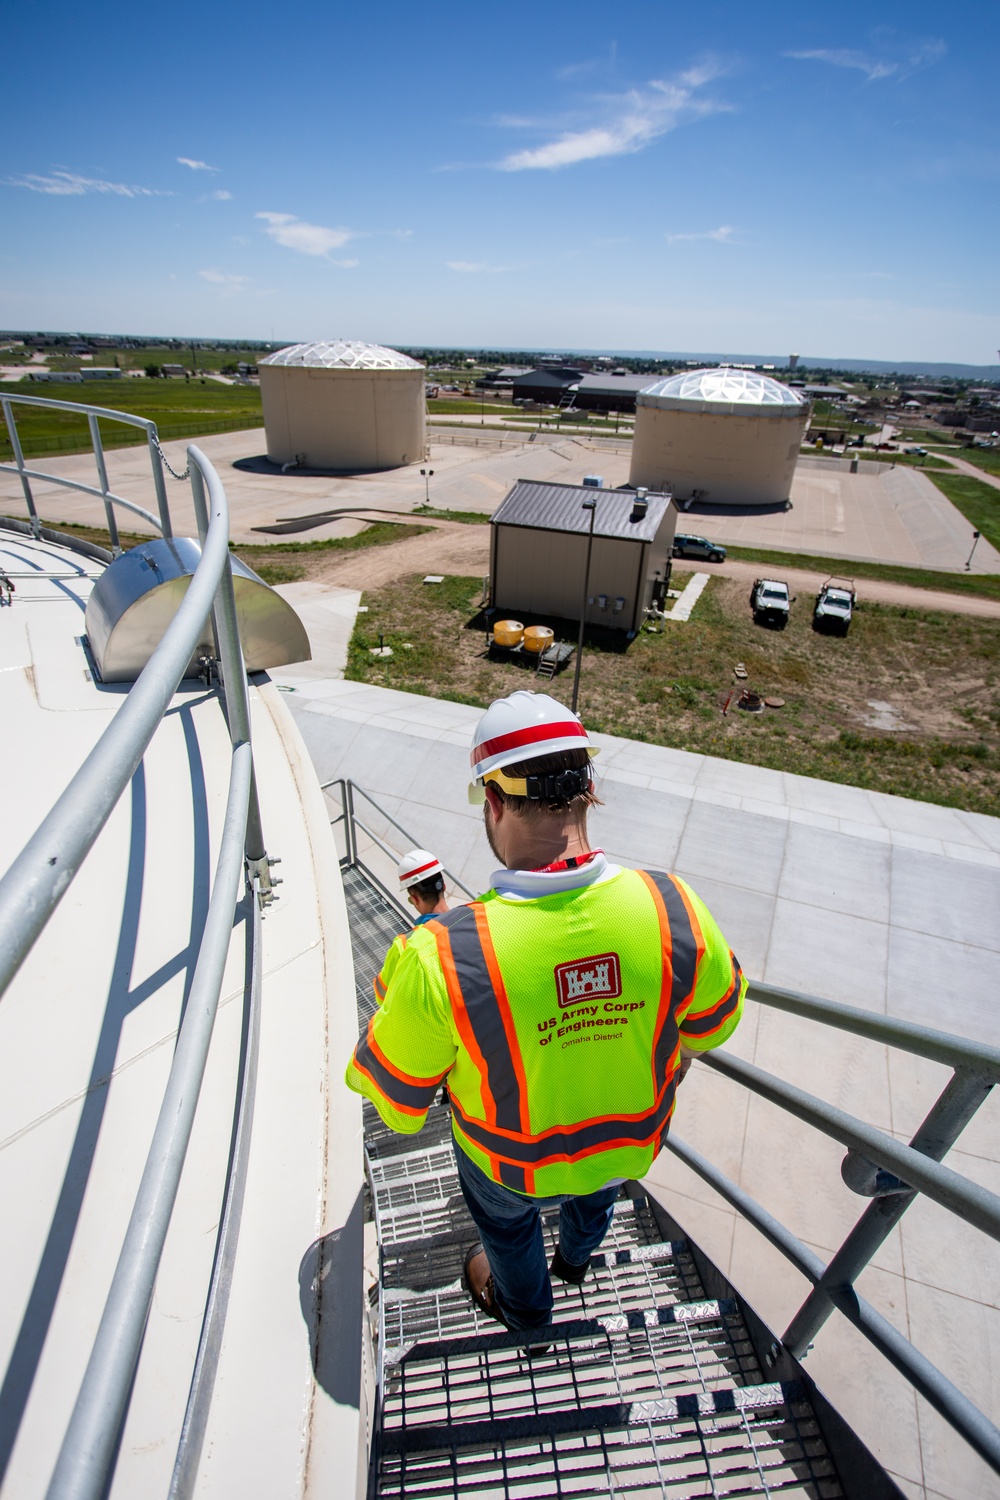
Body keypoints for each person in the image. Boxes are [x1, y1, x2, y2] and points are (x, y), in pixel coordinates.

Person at [346, 691, 745, 1332]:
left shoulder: (440, 957)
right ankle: (579, 1261)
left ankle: (528, 1312)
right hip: (627, 1143)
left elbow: (398, 1106)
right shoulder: (676, 908)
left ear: (495, 802)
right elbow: (709, 1029)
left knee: (505, 1232)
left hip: (509, 1168)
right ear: (591, 788)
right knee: (597, 1193)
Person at [373, 849, 450, 1005]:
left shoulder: (404, 944)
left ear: (415, 899)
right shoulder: (471, 920)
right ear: (444, 886)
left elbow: (381, 995)